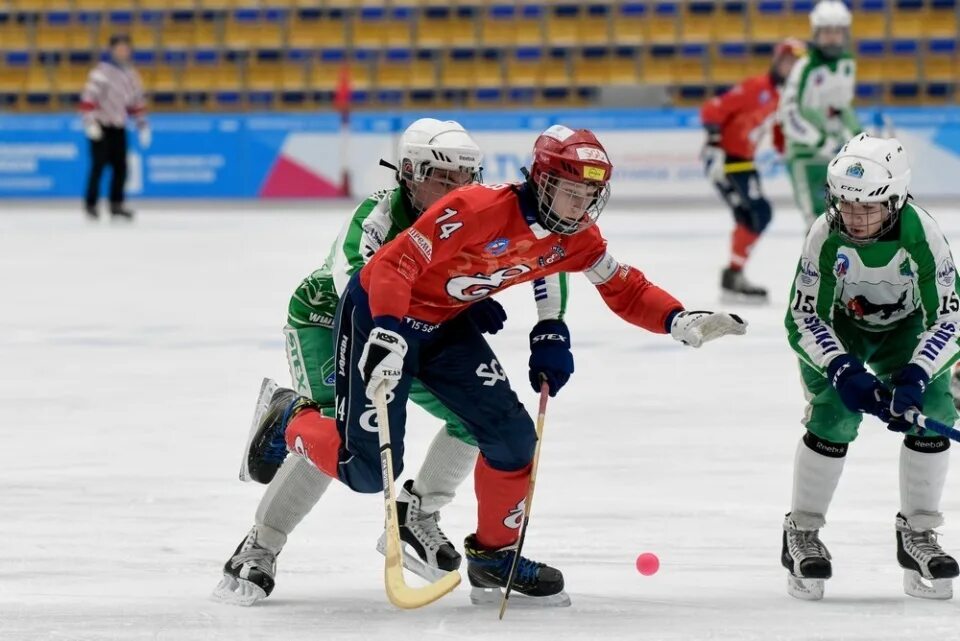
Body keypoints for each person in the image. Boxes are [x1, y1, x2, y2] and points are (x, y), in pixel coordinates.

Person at [240, 125, 747, 606]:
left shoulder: (578, 234)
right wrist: (387, 332)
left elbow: (621, 285)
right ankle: (292, 418)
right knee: (367, 471)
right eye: (572, 190)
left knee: (510, 436)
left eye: (591, 195)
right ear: (543, 181)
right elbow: (388, 267)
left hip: (443, 326)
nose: (583, 204)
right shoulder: (471, 208)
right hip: (373, 313)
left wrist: (677, 318)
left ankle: (494, 555)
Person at [213, 118, 574, 606]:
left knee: (475, 421)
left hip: (420, 329)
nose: (454, 189)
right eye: (440, 178)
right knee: (341, 438)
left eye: (464, 177)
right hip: (331, 323)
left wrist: (538, 318)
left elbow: (544, 254)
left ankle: (416, 513)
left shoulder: (478, 210)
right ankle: (262, 536)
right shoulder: (375, 219)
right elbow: (357, 297)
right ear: (407, 171)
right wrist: (461, 301)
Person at [782, 133, 960, 601]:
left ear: (896, 201)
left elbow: (949, 316)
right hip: (838, 329)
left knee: (937, 409)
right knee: (835, 415)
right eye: (845, 204)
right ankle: (800, 531)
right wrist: (842, 369)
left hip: (905, 331)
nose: (855, 219)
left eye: (869, 208)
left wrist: (918, 374)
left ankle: (918, 533)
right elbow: (803, 316)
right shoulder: (824, 235)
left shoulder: (923, 234)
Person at [701, 38, 805, 302]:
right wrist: (714, 145)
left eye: (797, 64)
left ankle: (733, 275)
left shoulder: (785, 97)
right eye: (788, 62)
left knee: (753, 215)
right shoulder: (756, 87)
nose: (791, 68)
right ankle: (733, 275)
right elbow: (713, 109)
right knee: (756, 213)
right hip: (727, 159)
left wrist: (786, 149)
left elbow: (779, 128)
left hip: (744, 160)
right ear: (778, 61)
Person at [778, 0, 861, 225]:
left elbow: (842, 107)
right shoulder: (804, 66)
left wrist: (858, 137)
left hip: (834, 155)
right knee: (816, 221)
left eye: (837, 31)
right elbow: (789, 114)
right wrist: (820, 141)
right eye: (827, 32)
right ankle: (813, 261)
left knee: (845, 219)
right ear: (816, 33)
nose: (832, 37)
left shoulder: (847, 63)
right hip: (805, 155)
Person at [79, 33, 151, 221]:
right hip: (101, 126)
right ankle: (91, 204)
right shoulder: (101, 73)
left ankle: (116, 204)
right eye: (119, 48)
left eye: (125, 48)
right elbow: (88, 99)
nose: (122, 52)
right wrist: (90, 123)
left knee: (121, 167)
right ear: (111, 50)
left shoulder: (132, 76)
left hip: (119, 126)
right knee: (98, 166)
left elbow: (136, 103)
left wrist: (142, 126)